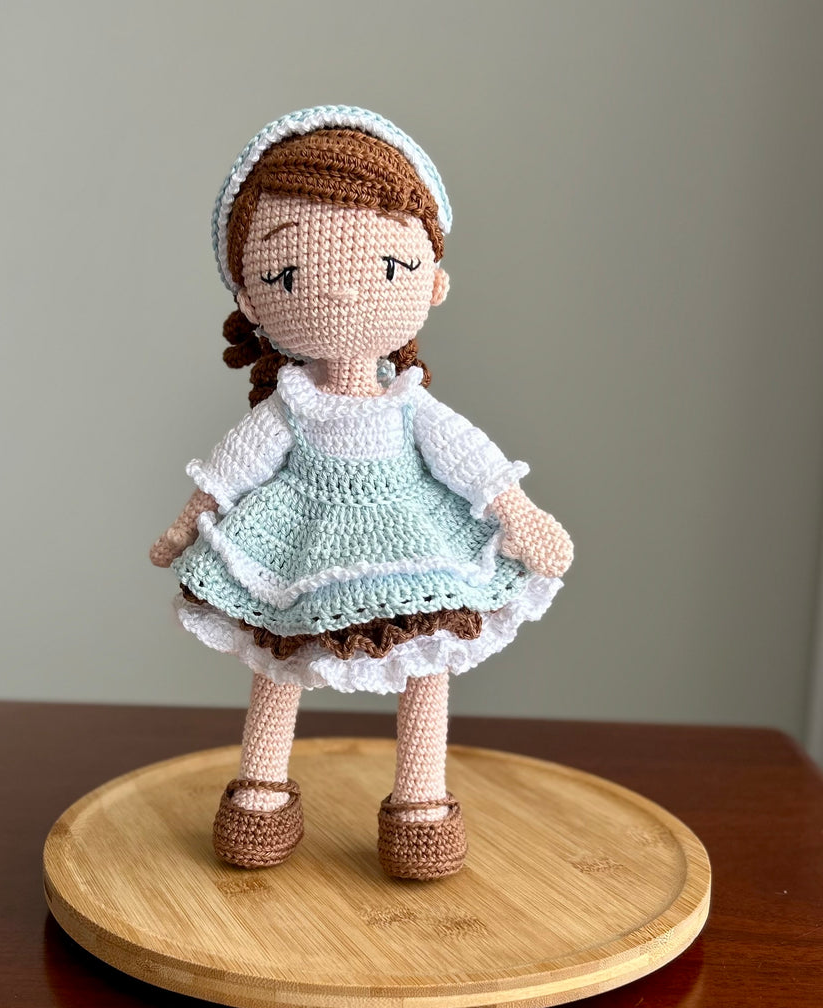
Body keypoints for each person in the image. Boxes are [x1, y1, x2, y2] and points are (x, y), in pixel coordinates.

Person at [150, 106, 573, 879]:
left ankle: (420, 804)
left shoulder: (411, 403)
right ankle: (260, 794)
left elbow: (471, 460)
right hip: (302, 533)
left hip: (410, 533)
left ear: (434, 281)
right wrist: (189, 523)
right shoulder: (290, 407)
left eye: (388, 268)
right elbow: (232, 468)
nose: (344, 294)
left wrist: (518, 512)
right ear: (252, 301)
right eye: (288, 275)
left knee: (427, 651)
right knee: (280, 652)